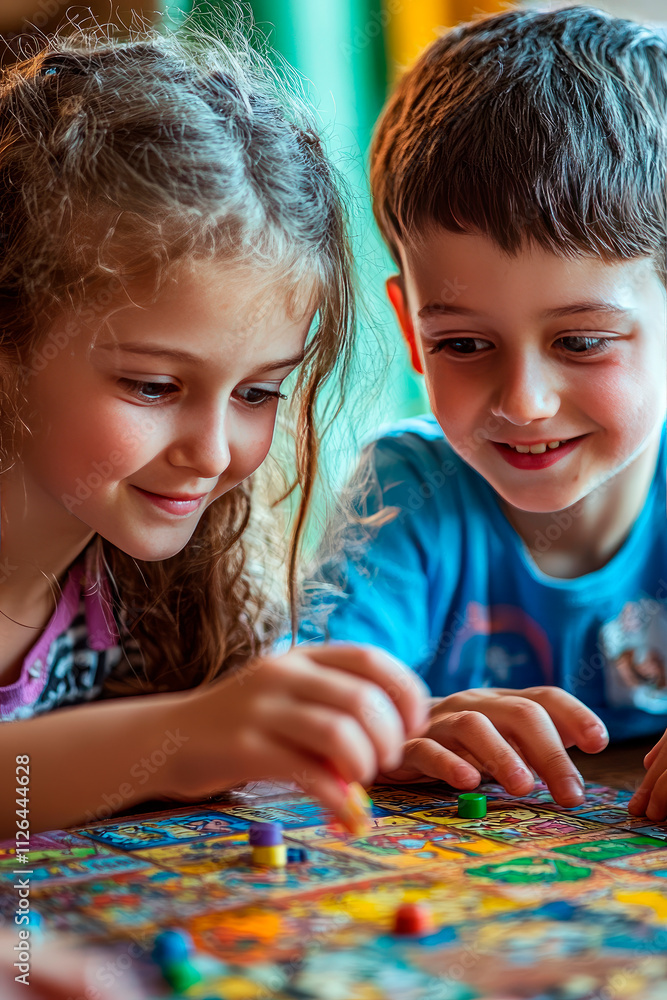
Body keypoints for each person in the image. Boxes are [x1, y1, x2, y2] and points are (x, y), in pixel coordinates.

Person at [0, 24, 432, 839]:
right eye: (154, 385)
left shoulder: (166, 582)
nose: (211, 451)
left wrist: (373, 733)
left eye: (260, 391)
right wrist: (181, 738)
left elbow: (233, 721)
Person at [305, 6, 667, 819]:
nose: (523, 403)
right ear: (410, 330)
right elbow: (308, 710)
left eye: (579, 341)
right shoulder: (406, 492)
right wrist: (395, 731)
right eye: (465, 346)